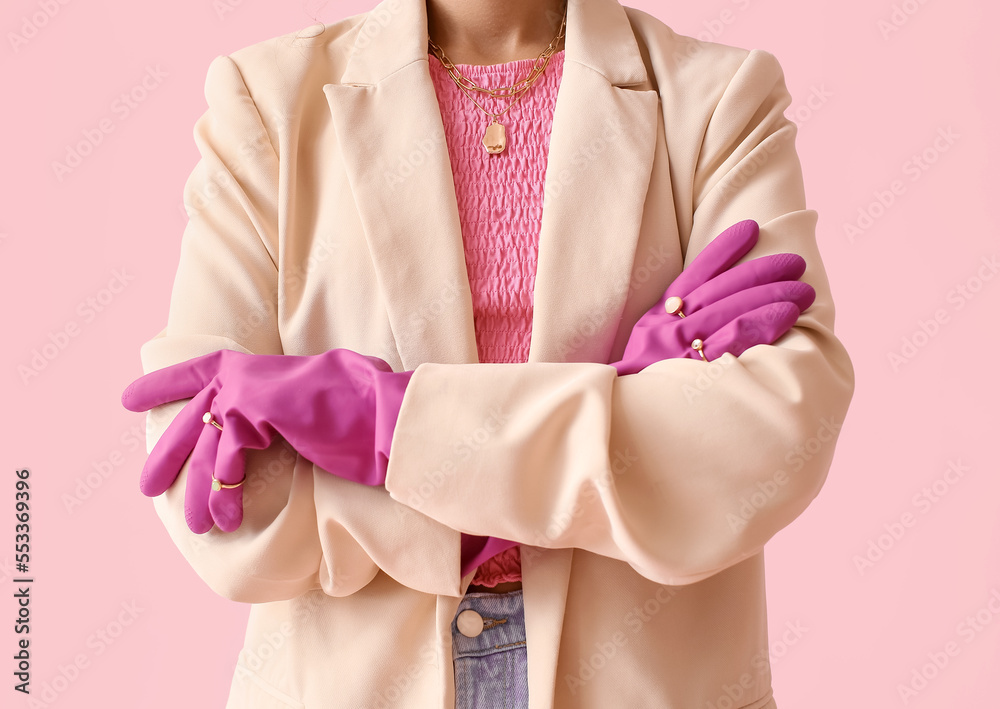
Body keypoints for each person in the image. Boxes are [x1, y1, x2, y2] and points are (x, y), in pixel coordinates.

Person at [122, 0, 855, 706]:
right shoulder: (268, 103)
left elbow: (776, 432)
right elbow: (213, 495)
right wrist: (621, 402)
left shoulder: (722, 101)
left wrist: (380, 424)